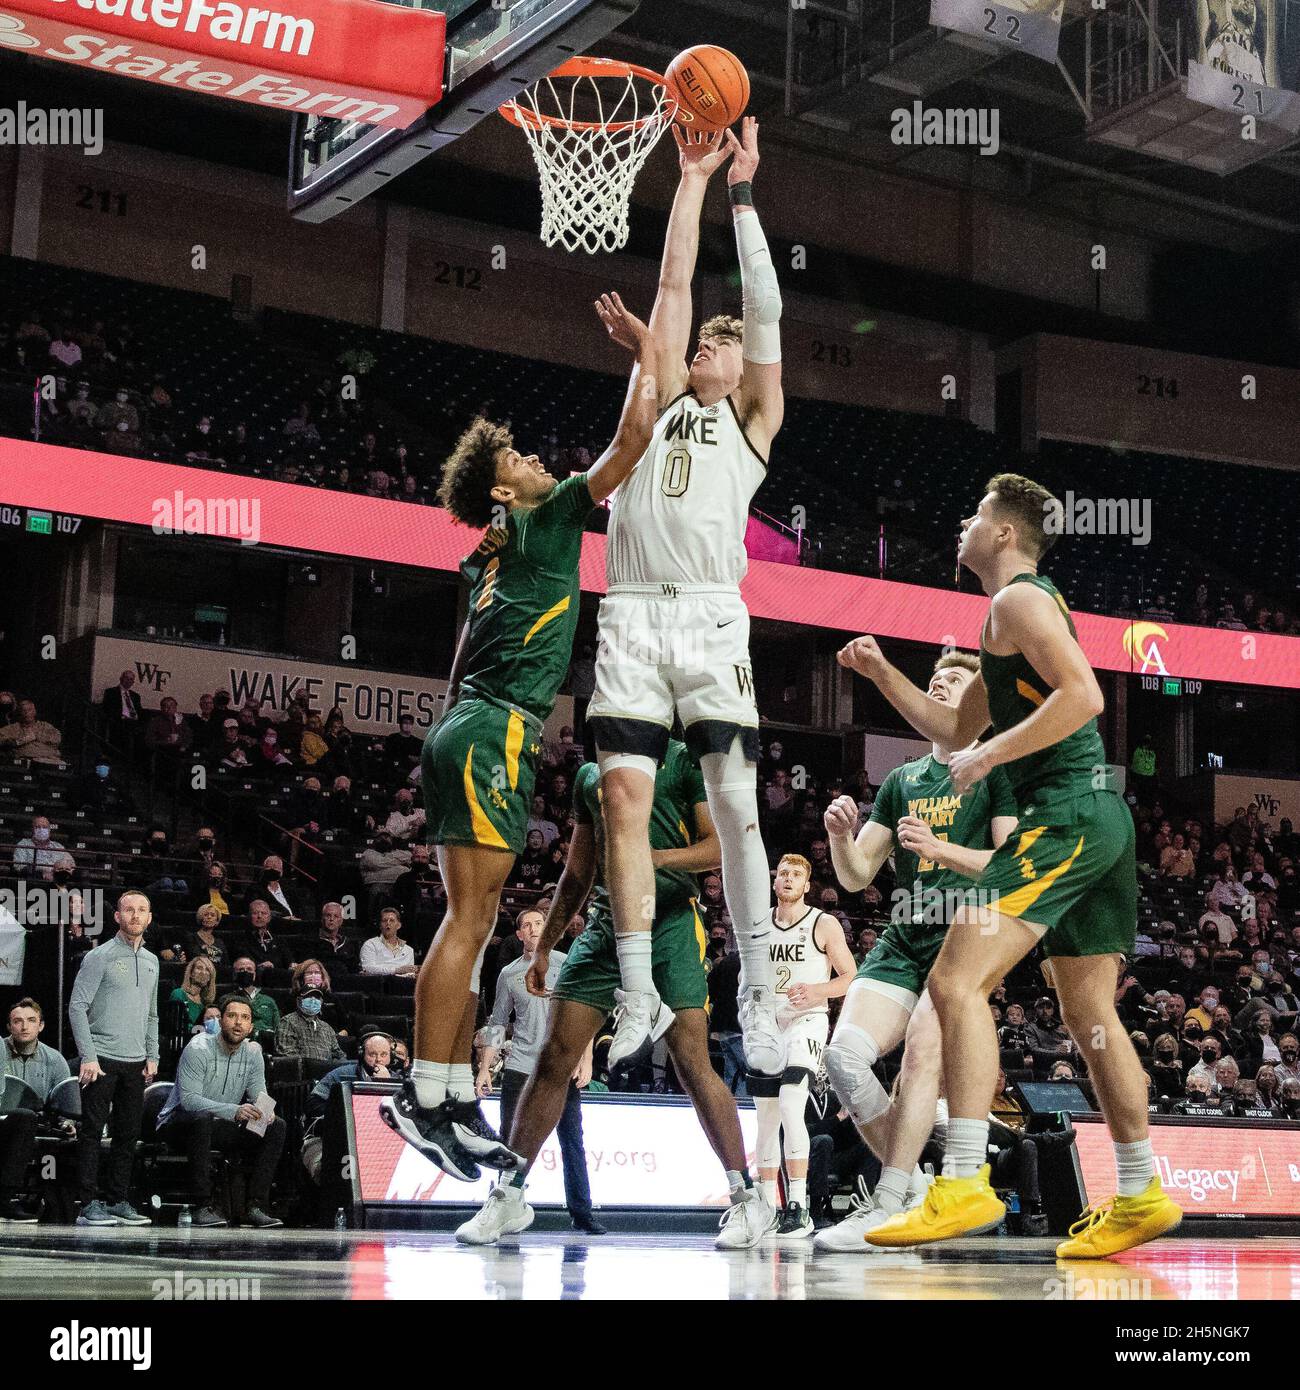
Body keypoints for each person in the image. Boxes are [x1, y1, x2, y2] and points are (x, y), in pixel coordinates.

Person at [839, 473, 1182, 1258]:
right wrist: (882, 672)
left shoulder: (1017, 600)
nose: (963, 521)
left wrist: (993, 752)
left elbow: (1086, 696)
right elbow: (951, 725)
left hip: (1063, 814)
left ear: (1001, 533)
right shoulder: (1006, 621)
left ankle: (961, 1181)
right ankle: (1139, 1192)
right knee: (1089, 1014)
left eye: (975, 513)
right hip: (1101, 821)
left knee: (955, 981)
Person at [380, 291, 659, 1182]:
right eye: (520, 456)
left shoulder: (493, 547)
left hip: (471, 725)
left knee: (480, 914)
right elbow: (632, 443)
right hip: (491, 729)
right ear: (505, 489)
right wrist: (645, 351)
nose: (538, 458)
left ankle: (452, 1093)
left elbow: (467, 645)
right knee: (469, 918)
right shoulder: (543, 522)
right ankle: (422, 1096)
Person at [585, 119, 787, 1083]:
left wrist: (745, 197)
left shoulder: (752, 423)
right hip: (629, 610)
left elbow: (765, 316)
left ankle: (757, 983)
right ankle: (634, 987)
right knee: (623, 801)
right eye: (716, 343)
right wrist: (694, 178)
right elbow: (673, 284)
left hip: (710, 615)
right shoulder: (661, 392)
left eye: (732, 346)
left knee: (734, 809)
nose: (724, 347)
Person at [457, 738, 776, 1249]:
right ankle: (509, 1193)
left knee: (692, 1062)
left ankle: (746, 1199)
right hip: (606, 928)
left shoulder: (684, 761)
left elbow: (718, 847)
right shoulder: (591, 774)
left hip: (671, 923)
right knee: (554, 1056)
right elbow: (579, 870)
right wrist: (547, 947)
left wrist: (649, 858)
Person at [814, 652, 1018, 1252]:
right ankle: (916, 1180)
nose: (938, 688)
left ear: (977, 704)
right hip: (905, 934)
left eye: (954, 682)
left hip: (964, 935)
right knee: (844, 1059)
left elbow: (1010, 868)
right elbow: (855, 877)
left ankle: (887, 1199)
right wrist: (838, 837)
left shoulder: (994, 768)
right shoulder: (903, 781)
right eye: (933, 682)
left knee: (920, 1060)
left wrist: (940, 848)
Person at [471, 908, 603, 1237]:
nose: (533, 929)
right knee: (510, 1141)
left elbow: (583, 1013)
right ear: (518, 934)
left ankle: (581, 1212)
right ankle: (507, 1207)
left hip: (560, 1065)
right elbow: (498, 1022)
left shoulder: (565, 963)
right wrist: (485, 1068)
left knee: (572, 1140)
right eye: (526, 925)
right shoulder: (509, 974)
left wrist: (586, 1059)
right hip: (520, 1065)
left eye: (539, 924)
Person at [753, 853, 855, 1240]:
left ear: (807, 885)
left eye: (797, 874)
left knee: (792, 1103)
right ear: (775, 882)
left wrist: (815, 991)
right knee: (765, 1116)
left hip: (807, 1021)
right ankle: (766, 1207)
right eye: (783, 874)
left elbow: (850, 976)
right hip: (768, 1024)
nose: (789, 879)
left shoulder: (822, 923)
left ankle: (798, 1205)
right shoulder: (760, 924)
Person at [68, 889, 159, 1227]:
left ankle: (118, 1200)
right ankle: (87, 1204)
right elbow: (77, 1006)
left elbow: (152, 1014)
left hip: (136, 1061)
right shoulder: (100, 956)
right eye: (128, 910)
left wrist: (154, 1054)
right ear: (117, 916)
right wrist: (87, 1057)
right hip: (101, 1058)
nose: (135, 915)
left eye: (141, 910)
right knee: (92, 1131)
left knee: (127, 1133)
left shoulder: (152, 960)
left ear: (149, 918)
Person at [157, 992, 285, 1228]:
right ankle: (202, 1205)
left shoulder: (253, 1052)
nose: (238, 1022)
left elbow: (260, 1094)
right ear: (221, 1020)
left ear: (251, 1026)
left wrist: (266, 1111)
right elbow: (189, 1101)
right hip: (179, 1124)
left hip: (220, 1124)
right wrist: (234, 1110)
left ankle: (255, 1205)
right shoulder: (198, 1048)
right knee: (203, 1119)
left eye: (244, 1018)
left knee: (276, 1126)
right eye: (232, 1016)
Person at [1, 998, 71, 1221]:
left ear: (40, 1025)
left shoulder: (55, 1060)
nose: (24, 1026)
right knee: (24, 1117)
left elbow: (65, 1102)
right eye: (18, 1021)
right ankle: (4, 1199)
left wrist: (68, 1123)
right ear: (9, 1026)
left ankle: (55, 1204)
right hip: (3, 1122)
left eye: (31, 1021)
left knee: (62, 1138)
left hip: (37, 1125)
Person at [276, 981, 346, 1064]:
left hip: (328, 1073)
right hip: (303, 1073)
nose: (313, 1000)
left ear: (321, 1002)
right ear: (299, 1001)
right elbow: (287, 1054)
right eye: (308, 996)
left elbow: (339, 1055)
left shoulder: (327, 1027)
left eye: (317, 997)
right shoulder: (288, 1022)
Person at [0, 698, 64, 766]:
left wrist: (37, 735)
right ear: (20, 713)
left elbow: (57, 738)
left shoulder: (45, 726)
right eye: (23, 710)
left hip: (49, 761)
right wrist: (21, 740)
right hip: (25, 762)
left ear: (34, 711)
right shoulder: (13, 728)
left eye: (29, 710)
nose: (27, 713)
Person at [359, 907, 417, 976]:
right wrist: (396, 970)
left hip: (401, 985)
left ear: (398, 925)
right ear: (380, 925)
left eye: (392, 920)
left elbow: (409, 974)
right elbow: (368, 969)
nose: (388, 923)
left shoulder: (408, 950)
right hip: (379, 984)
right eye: (384, 920)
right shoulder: (370, 944)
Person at [230, 957, 281, 1036]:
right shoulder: (228, 998)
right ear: (234, 974)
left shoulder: (268, 1000)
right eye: (241, 970)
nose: (245, 972)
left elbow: (278, 1028)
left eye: (249, 969)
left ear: (254, 974)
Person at [169, 956, 217, 1030]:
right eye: (199, 968)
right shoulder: (178, 994)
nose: (203, 972)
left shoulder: (207, 1001)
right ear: (191, 973)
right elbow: (177, 1026)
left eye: (207, 970)